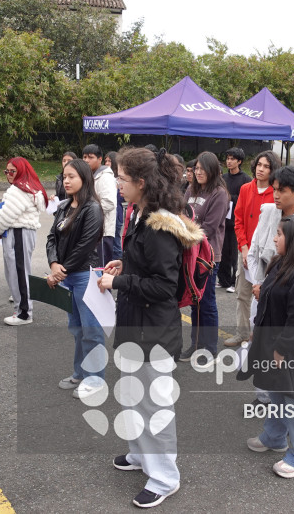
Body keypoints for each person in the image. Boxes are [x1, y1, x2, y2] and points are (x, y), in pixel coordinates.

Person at [98, 147, 194, 508]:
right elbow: (145, 267)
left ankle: (165, 476)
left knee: (155, 406)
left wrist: (119, 284)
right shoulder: (140, 214)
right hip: (135, 324)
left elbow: (165, 287)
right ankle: (140, 454)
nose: (117, 184)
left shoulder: (159, 225)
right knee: (132, 395)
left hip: (154, 330)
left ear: (141, 182)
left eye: (121, 178)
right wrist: (124, 266)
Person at [238, 215, 294, 479]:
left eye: (279, 234)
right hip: (273, 343)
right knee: (276, 392)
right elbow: (269, 301)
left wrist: (281, 349)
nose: (274, 238)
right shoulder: (281, 263)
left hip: (293, 350)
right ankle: (275, 437)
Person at [46, 159, 106, 398]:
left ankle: (96, 379)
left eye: (72, 176)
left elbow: (85, 245)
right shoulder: (63, 206)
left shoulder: (92, 208)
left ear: (84, 178)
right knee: (76, 328)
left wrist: (62, 270)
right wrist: (53, 264)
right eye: (64, 176)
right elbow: (51, 237)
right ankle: (80, 373)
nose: (66, 181)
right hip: (67, 275)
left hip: (84, 276)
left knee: (91, 330)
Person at [227, 150, 281, 348]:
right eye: (259, 165)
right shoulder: (245, 189)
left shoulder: (275, 192)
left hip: (267, 255)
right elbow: (238, 219)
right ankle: (242, 333)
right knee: (243, 294)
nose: (261, 169)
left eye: (266, 166)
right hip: (246, 251)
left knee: (266, 297)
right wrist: (243, 247)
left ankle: (262, 336)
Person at [180, 152, 230, 364]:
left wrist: (184, 230)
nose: (198, 172)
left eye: (202, 169)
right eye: (196, 168)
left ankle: (210, 349)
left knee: (206, 302)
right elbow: (180, 213)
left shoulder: (219, 194)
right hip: (189, 252)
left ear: (212, 171)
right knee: (194, 301)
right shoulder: (191, 189)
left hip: (208, 256)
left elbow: (208, 228)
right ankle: (196, 344)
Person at [0, 157, 48, 325]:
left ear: (22, 171)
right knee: (18, 272)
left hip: (18, 233)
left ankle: (24, 312)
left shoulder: (19, 190)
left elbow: (6, 215)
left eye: (12, 171)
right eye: (6, 171)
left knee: (18, 273)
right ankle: (21, 308)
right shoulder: (26, 188)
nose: (9, 174)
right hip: (20, 232)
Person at [217, 147, 252, 292]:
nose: (229, 161)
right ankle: (223, 280)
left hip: (237, 222)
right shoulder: (223, 178)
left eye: (232, 159)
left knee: (234, 254)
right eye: (228, 158)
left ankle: (233, 281)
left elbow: (246, 200)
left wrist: (231, 197)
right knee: (222, 251)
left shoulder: (246, 180)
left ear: (239, 162)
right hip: (223, 220)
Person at [82, 144, 117, 265]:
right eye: (84, 157)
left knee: (102, 268)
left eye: (90, 157)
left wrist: (89, 213)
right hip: (91, 230)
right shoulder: (91, 175)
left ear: (100, 159)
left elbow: (109, 203)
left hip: (103, 231)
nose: (86, 160)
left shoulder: (105, 177)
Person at [105, 151, 125, 259]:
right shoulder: (105, 177)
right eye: (106, 161)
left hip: (117, 215)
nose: (107, 163)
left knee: (116, 243)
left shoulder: (119, 179)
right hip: (108, 215)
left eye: (110, 161)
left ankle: (119, 266)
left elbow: (122, 198)